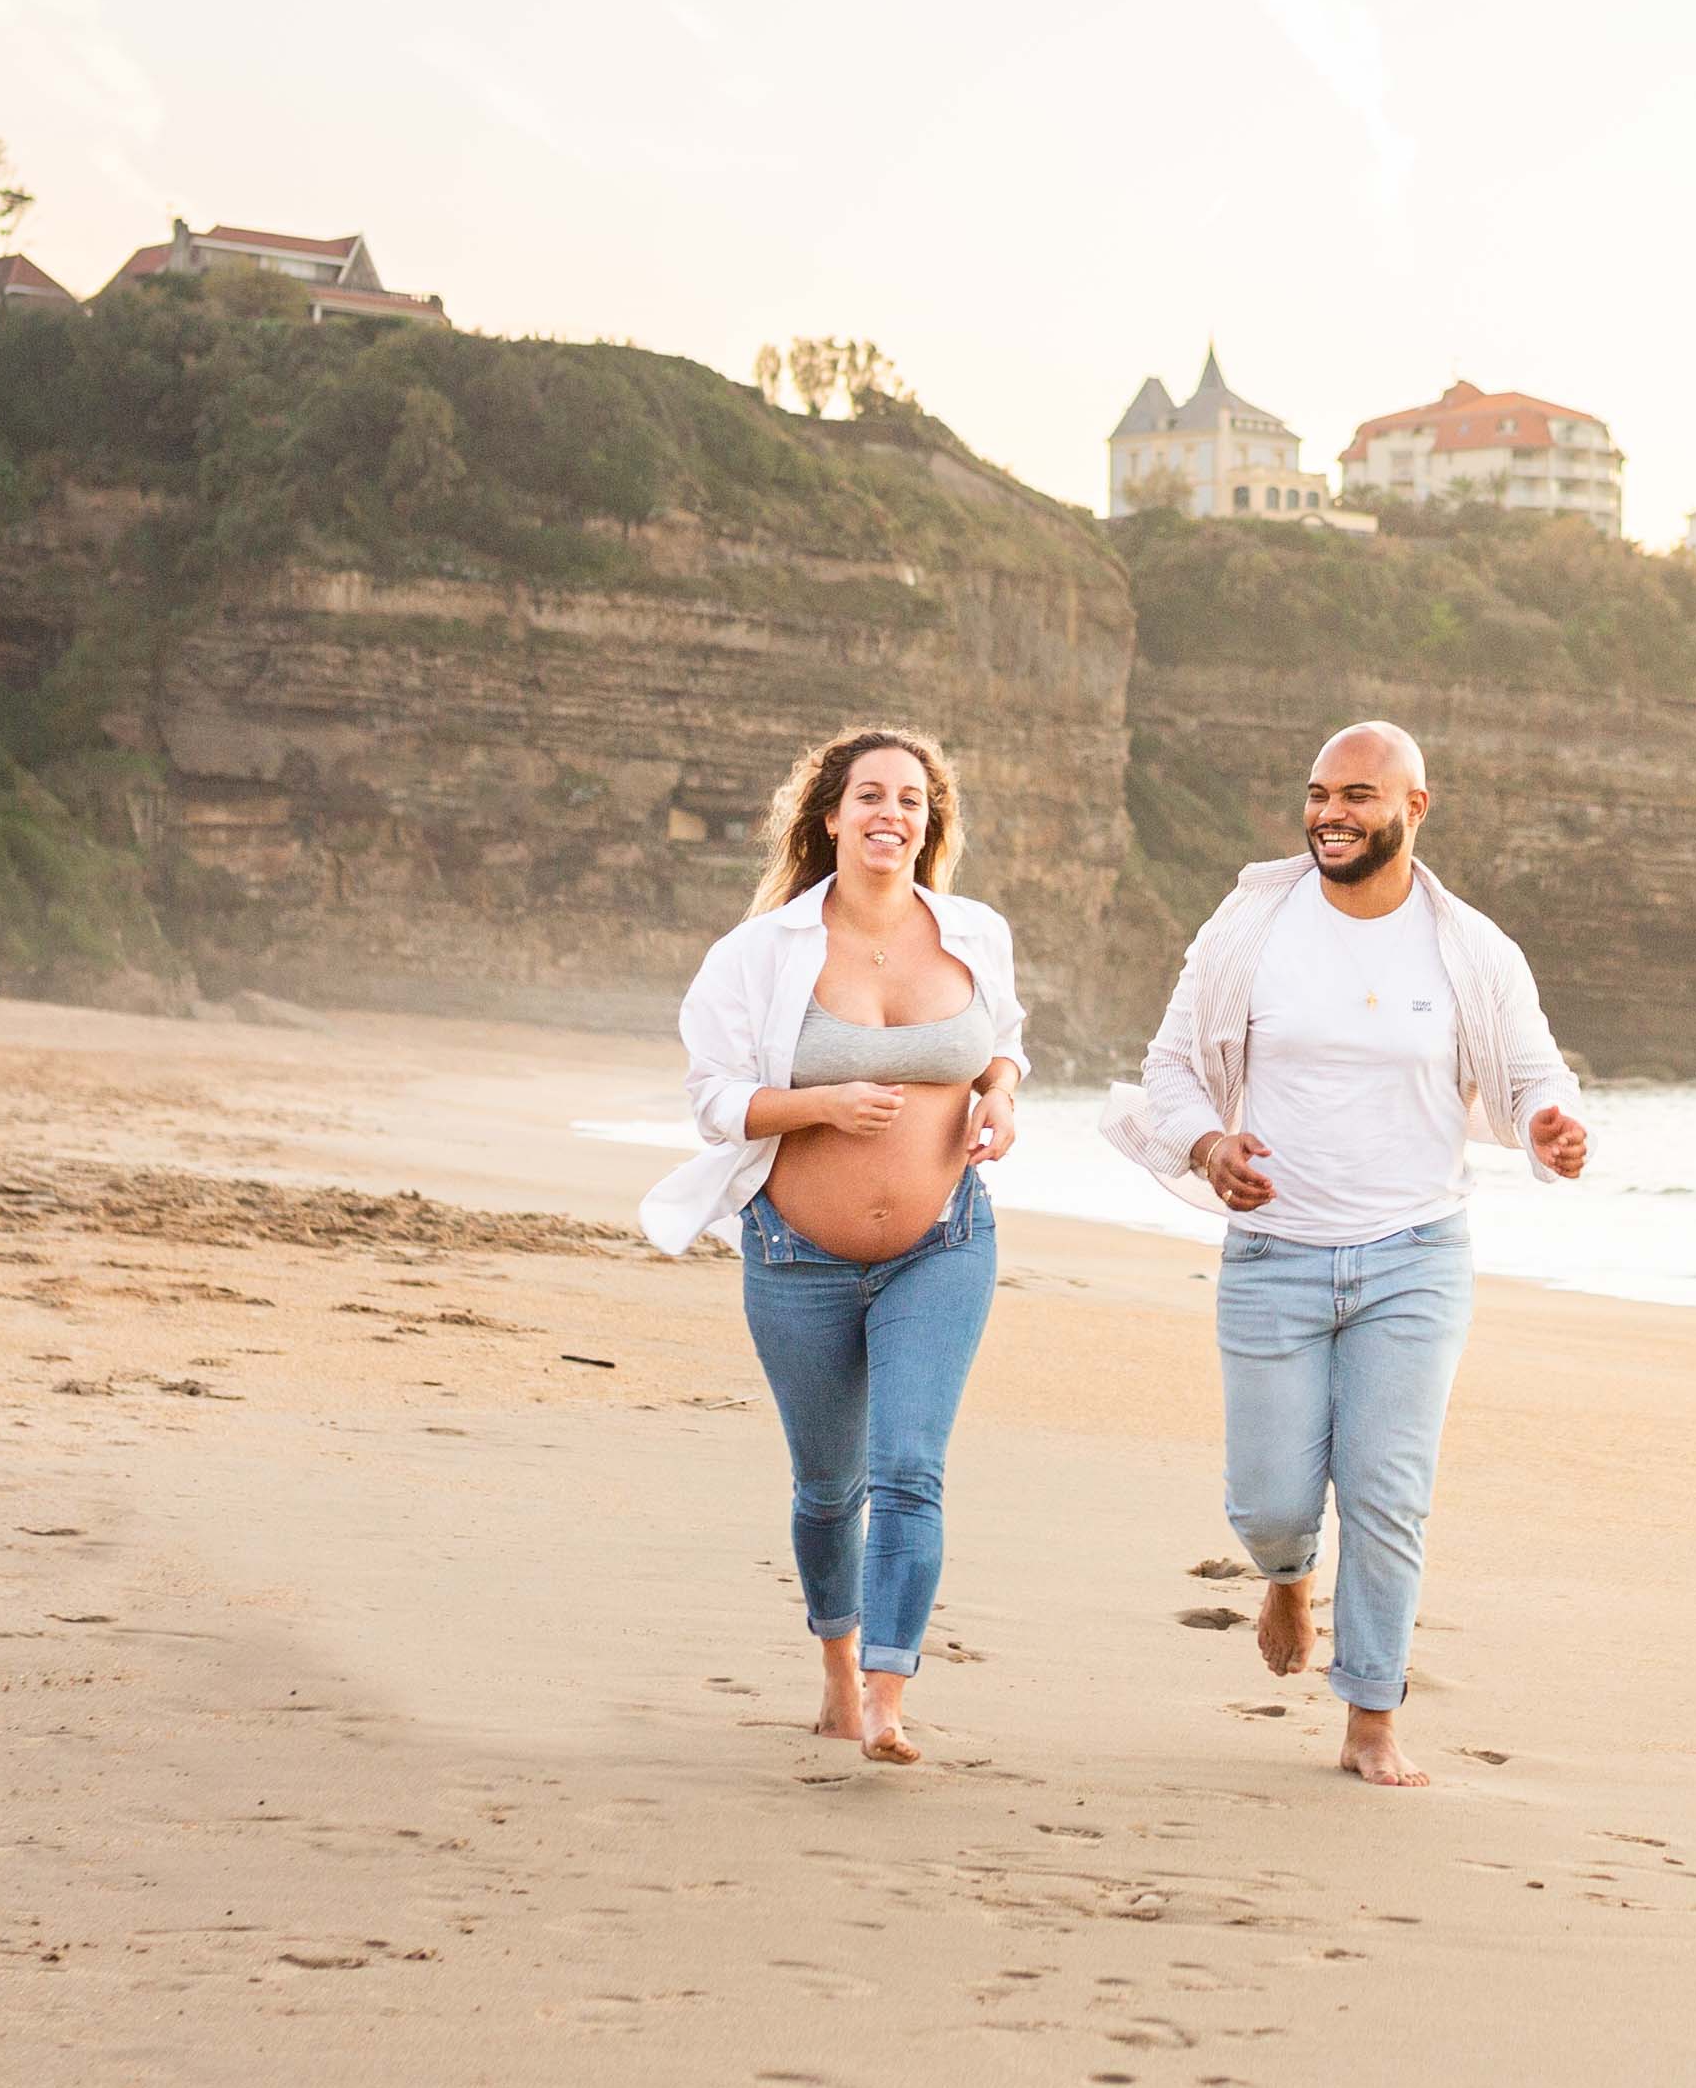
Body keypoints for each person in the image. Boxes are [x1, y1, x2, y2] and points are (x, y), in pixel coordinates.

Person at [1114, 720, 1589, 1785]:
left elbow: (1529, 1072)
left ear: (1416, 809)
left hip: (1415, 1255)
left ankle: (1372, 1716)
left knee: (1389, 1490)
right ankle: (1287, 1573)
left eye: (1359, 796)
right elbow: (1171, 1063)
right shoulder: (1251, 928)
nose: (1331, 813)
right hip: (1274, 1253)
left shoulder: (1471, 947)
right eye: (1320, 793)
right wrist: (1205, 1143)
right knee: (1271, 1502)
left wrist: (1551, 1123)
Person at [640, 726, 1026, 1767]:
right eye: (869, 796)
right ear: (831, 817)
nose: (889, 814)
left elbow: (1004, 1046)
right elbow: (714, 1099)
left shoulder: (974, 933)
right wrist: (818, 1104)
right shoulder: (759, 953)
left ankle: (888, 1696)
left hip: (942, 1244)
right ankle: (837, 1668)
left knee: (911, 1468)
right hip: (796, 1258)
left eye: (910, 798)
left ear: (928, 823)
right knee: (828, 1490)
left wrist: (1001, 1097)